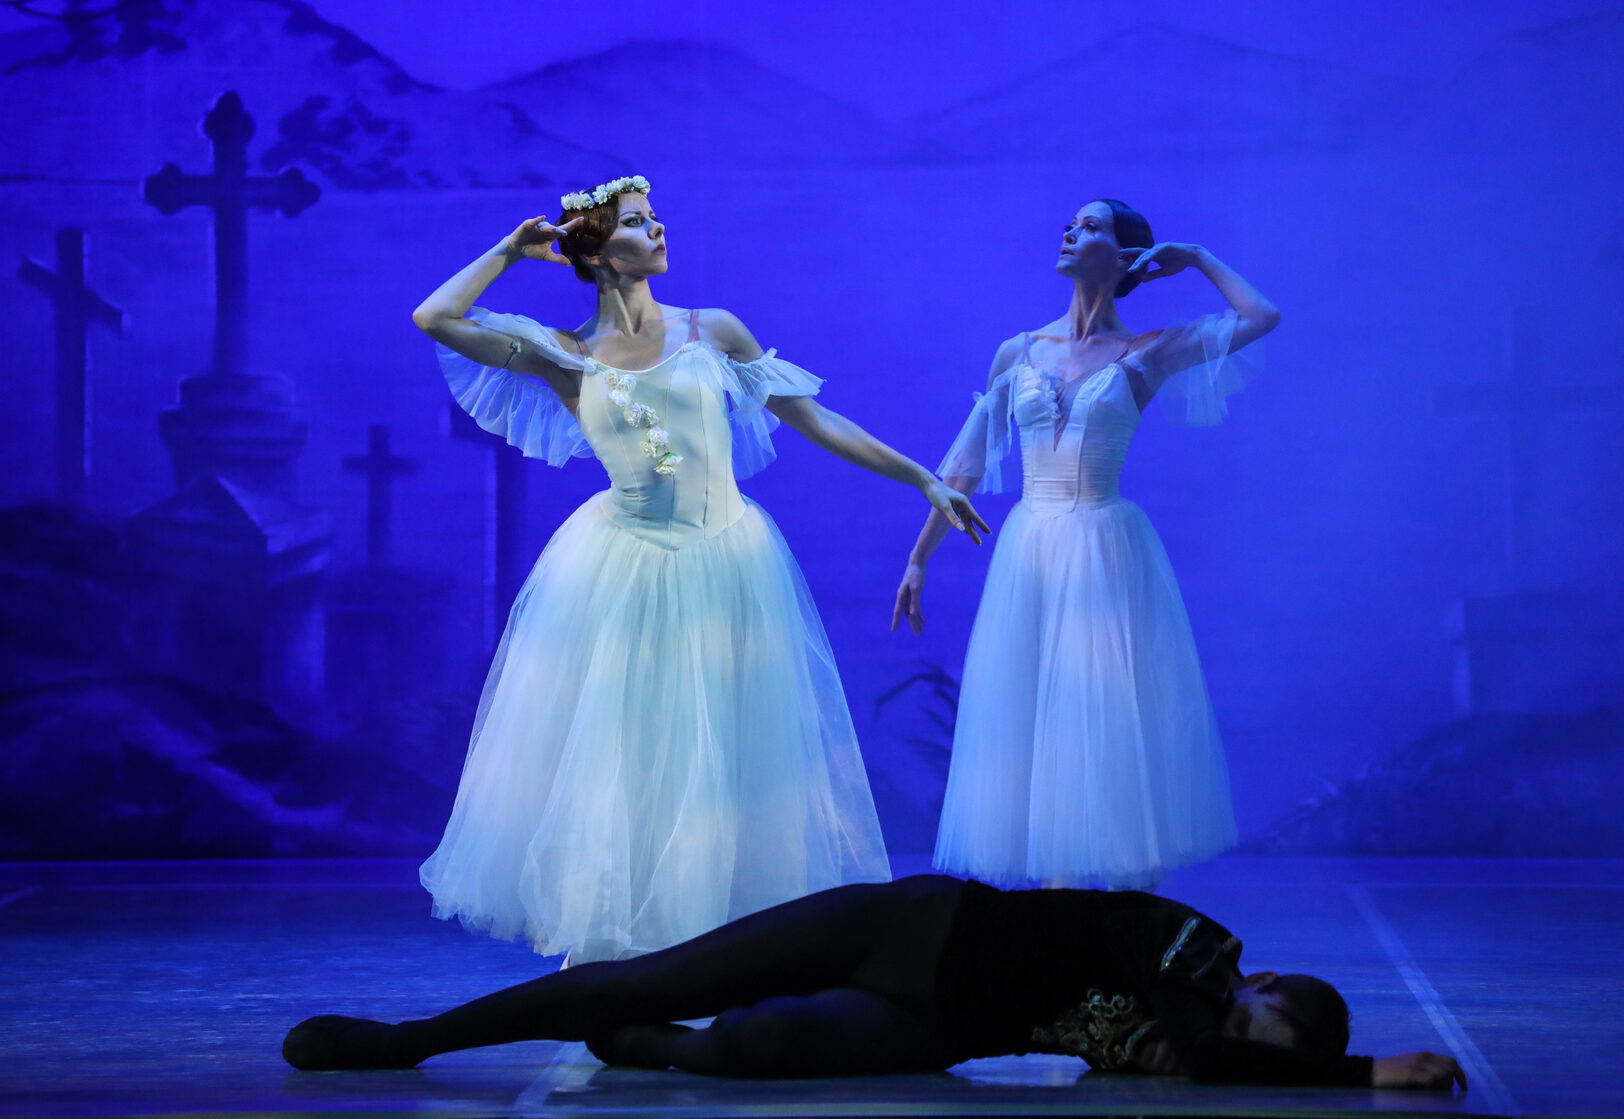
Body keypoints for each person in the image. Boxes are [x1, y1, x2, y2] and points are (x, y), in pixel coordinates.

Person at [410, 176, 987, 963]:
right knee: (629, 754)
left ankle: (729, 947)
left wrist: (922, 477)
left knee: (732, 756)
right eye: (638, 222)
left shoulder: (711, 330)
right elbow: (435, 318)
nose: (658, 230)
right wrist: (510, 252)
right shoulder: (567, 355)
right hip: (625, 567)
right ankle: (615, 947)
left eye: (655, 218)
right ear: (598, 252)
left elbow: (813, 417)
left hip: (730, 563)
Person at [893, 199, 1277, 890]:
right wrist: (920, 558)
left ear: (1126, 256)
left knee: (1102, 711)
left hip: (1103, 548)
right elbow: (965, 467)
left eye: (1092, 226)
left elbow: (1261, 317)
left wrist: (1195, 258)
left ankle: (1121, 899)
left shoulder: (1149, 350)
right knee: (1034, 713)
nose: (1072, 232)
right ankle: (1054, 897)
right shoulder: (1019, 351)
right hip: (1031, 552)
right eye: (1071, 224)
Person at [282, 874, 1466, 1091]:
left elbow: (1202, 1063)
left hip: (935, 1022)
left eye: (1256, 1046)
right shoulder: (1200, 948)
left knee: (740, 1051)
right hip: (907, 925)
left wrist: (1307, 1070)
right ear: (1261, 979)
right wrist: (1366, 1072)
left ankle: (652, 1046)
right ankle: (404, 1040)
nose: (1234, 1031)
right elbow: (1198, 1045)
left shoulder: (1196, 1043)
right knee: (638, 979)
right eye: (1257, 1017)